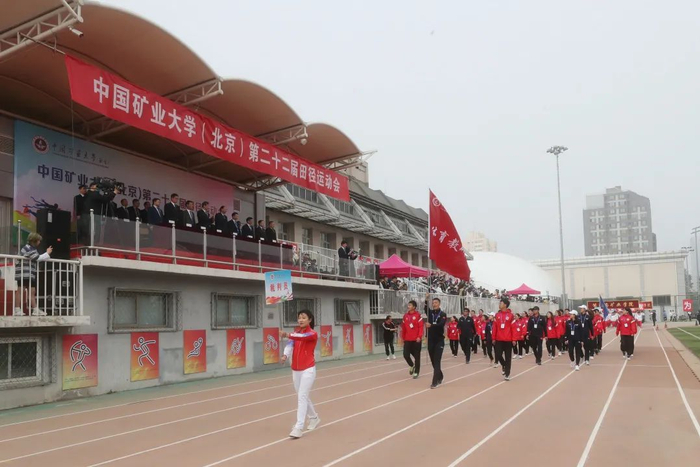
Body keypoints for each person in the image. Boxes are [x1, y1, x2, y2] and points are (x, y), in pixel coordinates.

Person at [280, 310, 320, 439]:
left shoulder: (312, 334)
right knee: (302, 396)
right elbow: (290, 345)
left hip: (308, 369)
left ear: (310, 320)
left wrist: (287, 334)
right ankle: (314, 417)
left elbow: (301, 337)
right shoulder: (295, 333)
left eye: (304, 318)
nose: (301, 320)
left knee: (302, 396)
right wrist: (285, 355)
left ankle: (299, 427)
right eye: (299, 318)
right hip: (296, 369)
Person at [13, 233, 53, 316]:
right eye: (38, 240)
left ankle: (35, 309)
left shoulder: (32, 249)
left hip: (30, 273)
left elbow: (37, 257)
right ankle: (17, 309)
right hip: (23, 273)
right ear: (34, 241)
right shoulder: (27, 248)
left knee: (32, 291)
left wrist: (46, 254)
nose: (39, 242)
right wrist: (47, 253)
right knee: (21, 290)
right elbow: (37, 258)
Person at [425, 295, 447, 388]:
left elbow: (441, 324)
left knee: (437, 360)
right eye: (433, 303)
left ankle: (435, 382)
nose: (434, 304)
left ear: (439, 304)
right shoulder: (430, 313)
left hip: (439, 340)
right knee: (433, 361)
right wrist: (426, 299)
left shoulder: (443, 314)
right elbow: (425, 308)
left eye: (436, 303)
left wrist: (431, 325)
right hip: (431, 340)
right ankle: (440, 375)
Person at [492, 298, 514, 381]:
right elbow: (494, 327)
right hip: (499, 339)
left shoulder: (511, 315)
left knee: (508, 357)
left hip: (508, 339)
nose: (499, 304)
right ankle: (504, 365)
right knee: (497, 354)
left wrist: (514, 339)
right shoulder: (497, 315)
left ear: (505, 305)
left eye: (501, 303)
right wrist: (493, 337)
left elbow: (513, 328)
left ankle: (507, 374)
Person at [401, 300, 423, 379]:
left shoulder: (418, 316)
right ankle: (412, 365)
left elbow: (421, 327)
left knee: (417, 357)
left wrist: (419, 336)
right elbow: (403, 328)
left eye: (410, 305)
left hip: (416, 340)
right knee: (406, 355)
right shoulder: (405, 316)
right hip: (407, 339)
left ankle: (416, 372)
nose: (408, 306)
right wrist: (403, 338)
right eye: (408, 305)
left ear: (414, 307)